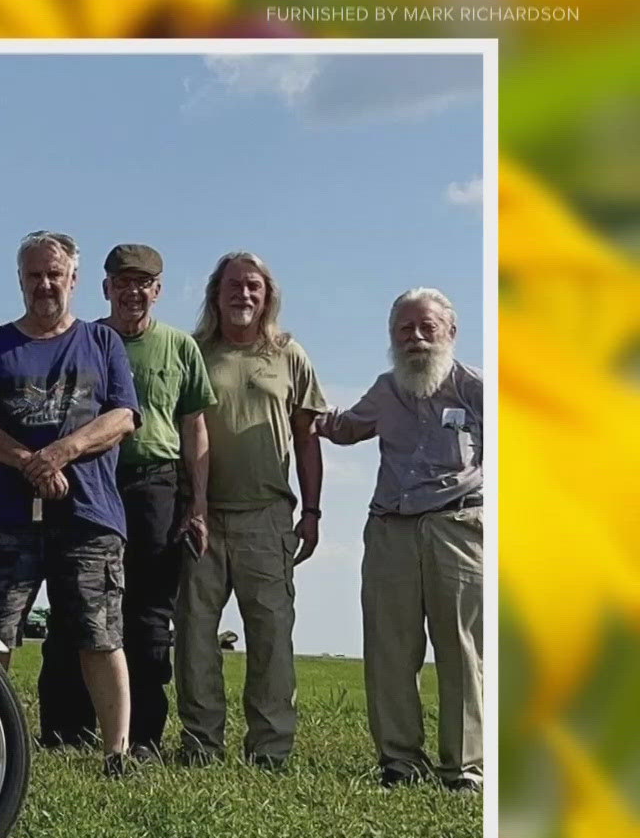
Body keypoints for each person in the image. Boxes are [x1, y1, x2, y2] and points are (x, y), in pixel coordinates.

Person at [0, 231, 140, 776]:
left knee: (100, 633)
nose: (44, 284)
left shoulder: (103, 344)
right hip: (3, 516)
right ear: (20, 280)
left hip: (88, 516)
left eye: (54, 274)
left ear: (73, 280)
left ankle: (117, 754)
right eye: (34, 275)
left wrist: (62, 452)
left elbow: (123, 417)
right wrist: (27, 461)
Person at [38, 245, 216, 758]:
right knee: (75, 604)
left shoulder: (181, 347)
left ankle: (141, 737)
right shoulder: (83, 339)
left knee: (147, 613)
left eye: (144, 283)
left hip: (153, 485)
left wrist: (196, 501)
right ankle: (64, 730)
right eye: (123, 282)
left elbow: (195, 427)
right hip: (90, 479)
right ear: (105, 287)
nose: (132, 292)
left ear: (157, 290)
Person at [315, 289, 482, 791]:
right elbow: (347, 429)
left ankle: (465, 771)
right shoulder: (387, 388)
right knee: (390, 649)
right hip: (390, 528)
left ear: (449, 332)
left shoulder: (475, 388)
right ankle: (400, 765)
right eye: (404, 330)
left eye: (426, 327)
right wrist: (313, 417)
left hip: (458, 526)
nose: (415, 338)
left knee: (461, 650)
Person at [174, 251, 326, 770]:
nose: (243, 295)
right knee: (195, 636)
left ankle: (271, 749)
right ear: (216, 294)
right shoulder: (192, 351)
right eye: (233, 286)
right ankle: (201, 744)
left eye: (253, 287)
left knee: (271, 639)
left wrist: (313, 511)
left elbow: (307, 439)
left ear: (267, 297)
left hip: (268, 517)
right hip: (201, 516)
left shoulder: (289, 354)